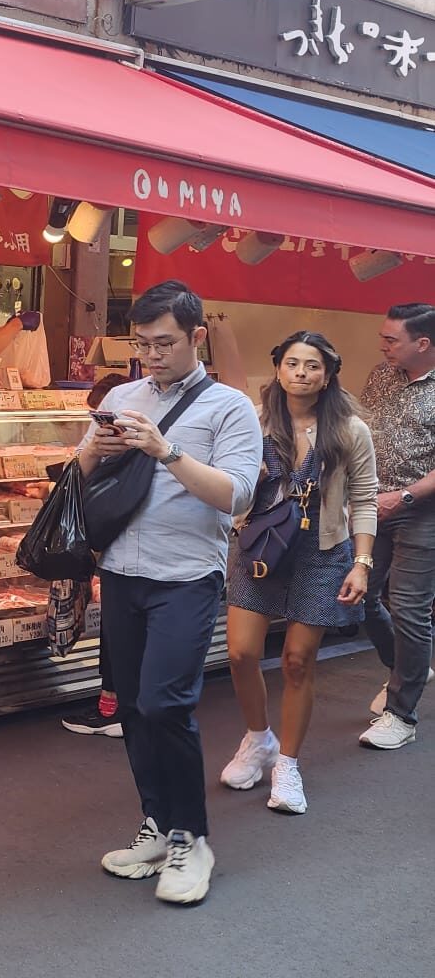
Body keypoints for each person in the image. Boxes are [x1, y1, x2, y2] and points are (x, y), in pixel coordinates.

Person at [77, 280, 260, 906]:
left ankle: (191, 838)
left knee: (165, 705)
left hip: (186, 578)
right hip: (123, 572)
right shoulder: (123, 394)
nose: (151, 356)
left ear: (196, 337)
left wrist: (166, 449)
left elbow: (238, 495)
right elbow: (79, 476)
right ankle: (156, 823)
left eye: (165, 344)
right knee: (129, 705)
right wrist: (93, 450)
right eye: (141, 344)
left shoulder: (230, 407)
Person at [220, 332, 375, 813]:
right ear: (278, 369)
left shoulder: (349, 430)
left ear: (328, 375)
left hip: (322, 551)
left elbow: (365, 498)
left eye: (312, 365)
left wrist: (362, 563)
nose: (301, 373)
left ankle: (287, 763)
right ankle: (257, 738)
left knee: (296, 661)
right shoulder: (256, 420)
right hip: (261, 545)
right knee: (242, 653)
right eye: (292, 363)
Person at [357, 302, 435, 750]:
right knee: (361, 599)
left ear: (422, 343)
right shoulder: (380, 375)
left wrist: (402, 496)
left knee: (408, 608)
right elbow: (362, 429)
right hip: (371, 505)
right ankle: (407, 667)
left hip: (421, 511)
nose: (382, 345)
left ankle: (401, 713)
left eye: (392, 339)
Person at [60, 372, 130, 738]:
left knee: (117, 632)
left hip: (116, 545)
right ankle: (116, 705)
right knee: (118, 630)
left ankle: (112, 708)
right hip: (117, 548)